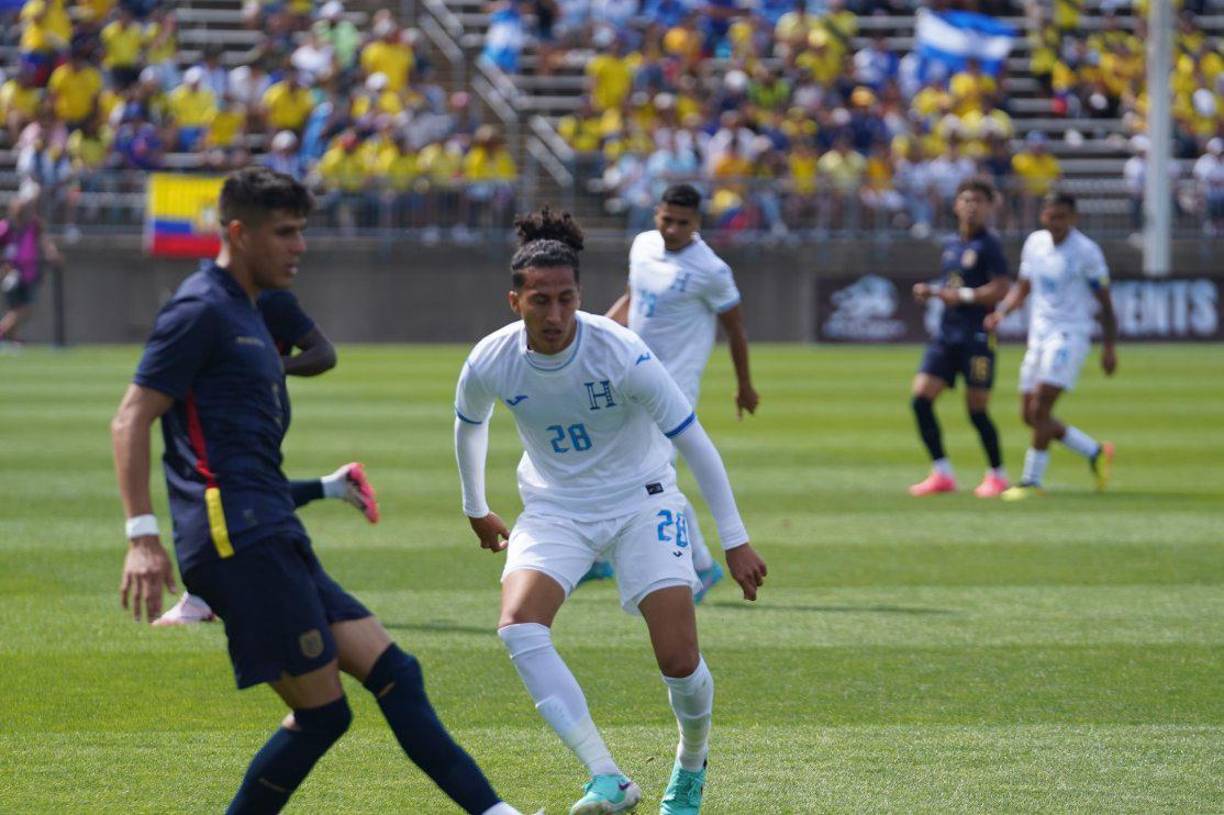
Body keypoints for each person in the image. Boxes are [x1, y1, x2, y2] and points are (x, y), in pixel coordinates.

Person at [111, 167, 532, 815]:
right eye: (284, 232)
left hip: (272, 527)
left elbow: (313, 357)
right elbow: (132, 415)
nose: (299, 246)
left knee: (396, 675)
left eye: (301, 231)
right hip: (234, 536)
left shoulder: (258, 308)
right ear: (237, 233)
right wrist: (141, 536)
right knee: (322, 714)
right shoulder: (200, 309)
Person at [453, 207, 768, 815]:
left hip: (641, 502)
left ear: (580, 295)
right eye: (540, 300)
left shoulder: (621, 351)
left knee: (678, 659)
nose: (555, 315)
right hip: (553, 509)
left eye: (566, 299)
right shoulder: (490, 359)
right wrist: (477, 507)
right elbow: (469, 426)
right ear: (514, 299)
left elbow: (693, 441)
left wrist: (735, 539)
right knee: (519, 625)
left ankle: (691, 765)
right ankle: (607, 776)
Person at [154, 284, 380, 626]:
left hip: (258, 413)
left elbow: (324, 353)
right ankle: (335, 488)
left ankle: (207, 599)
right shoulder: (214, 295)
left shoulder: (273, 298)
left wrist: (271, 364)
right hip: (226, 414)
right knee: (244, 495)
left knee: (230, 494)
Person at [596, 183, 759, 602]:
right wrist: (597, 338)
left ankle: (699, 565)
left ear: (698, 224)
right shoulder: (643, 245)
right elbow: (634, 300)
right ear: (656, 214)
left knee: (650, 474)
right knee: (625, 463)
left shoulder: (711, 270)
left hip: (675, 386)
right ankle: (604, 550)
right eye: (667, 220)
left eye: (682, 223)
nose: (672, 229)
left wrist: (744, 385)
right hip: (632, 376)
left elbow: (736, 328)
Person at [985, 192, 1117, 499]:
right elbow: (1024, 287)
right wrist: (1001, 312)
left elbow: (1106, 303)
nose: (1055, 223)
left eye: (1061, 217)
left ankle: (1031, 482)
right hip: (1039, 335)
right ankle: (1095, 452)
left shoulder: (1087, 252)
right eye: (1050, 216)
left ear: (1074, 218)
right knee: (1030, 416)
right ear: (1042, 216)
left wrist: (1109, 347)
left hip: (1070, 335)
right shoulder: (1035, 244)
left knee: (1041, 407)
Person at [909, 178, 1011, 498]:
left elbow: (1001, 288)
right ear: (955, 205)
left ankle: (997, 474)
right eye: (966, 200)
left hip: (977, 336)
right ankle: (942, 472)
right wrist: (933, 290)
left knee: (976, 408)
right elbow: (951, 284)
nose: (971, 206)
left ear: (989, 207)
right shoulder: (952, 244)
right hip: (947, 333)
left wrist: (962, 296)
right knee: (921, 398)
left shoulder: (989, 245)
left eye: (979, 201)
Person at [0, 183, 60, 347]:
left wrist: (51, 253)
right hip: (11, 273)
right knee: (20, 309)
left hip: (30, 272)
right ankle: (3, 334)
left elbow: (44, 241)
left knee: (24, 308)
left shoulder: (34, 224)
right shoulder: (6, 227)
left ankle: (12, 339)